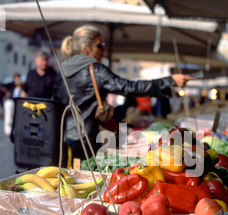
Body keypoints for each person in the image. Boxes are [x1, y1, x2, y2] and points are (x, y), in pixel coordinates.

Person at [53, 25, 194, 161]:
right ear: (86, 47)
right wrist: (169, 81)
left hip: (60, 137)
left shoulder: (62, 70)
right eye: (100, 45)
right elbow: (128, 87)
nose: (104, 50)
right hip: (86, 140)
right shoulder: (94, 69)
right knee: (85, 178)